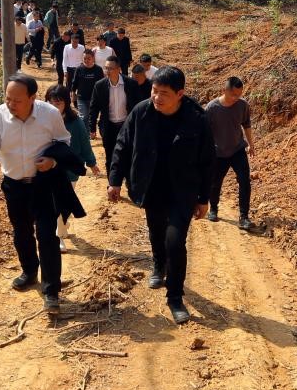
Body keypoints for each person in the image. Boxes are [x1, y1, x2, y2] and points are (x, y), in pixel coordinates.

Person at [108, 66, 215, 325]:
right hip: (150, 185)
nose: (156, 97)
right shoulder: (141, 112)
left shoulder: (196, 118)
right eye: (154, 91)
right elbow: (123, 145)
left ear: (180, 93)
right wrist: (115, 181)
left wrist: (204, 198)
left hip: (182, 190)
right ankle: (158, 266)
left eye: (163, 93)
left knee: (175, 242)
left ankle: (175, 297)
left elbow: (207, 160)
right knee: (156, 230)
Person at [0, 74, 71, 314]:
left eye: (17, 100)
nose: (11, 104)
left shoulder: (49, 114)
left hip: (44, 183)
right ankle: (29, 271)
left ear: (32, 97)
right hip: (14, 185)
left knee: (47, 235)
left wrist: (52, 160)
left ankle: (52, 290)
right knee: (21, 232)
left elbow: (64, 141)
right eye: (8, 99)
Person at [44, 84, 100, 252]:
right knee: (51, 204)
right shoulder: (39, 120)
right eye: (51, 102)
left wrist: (91, 163)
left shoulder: (75, 122)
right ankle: (61, 226)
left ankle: (60, 236)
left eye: (58, 103)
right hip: (45, 169)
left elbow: (84, 143)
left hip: (67, 171)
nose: (54, 106)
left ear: (66, 103)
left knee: (62, 203)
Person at [205, 76, 255, 230]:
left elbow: (246, 124)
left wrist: (251, 144)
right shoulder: (212, 108)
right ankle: (213, 209)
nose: (236, 98)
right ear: (224, 91)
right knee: (215, 181)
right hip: (218, 151)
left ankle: (244, 216)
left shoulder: (242, 105)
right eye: (234, 94)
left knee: (244, 180)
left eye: (239, 94)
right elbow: (205, 132)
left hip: (237, 149)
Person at [87, 57, 129, 168]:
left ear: (119, 69)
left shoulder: (130, 84)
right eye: (106, 68)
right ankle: (112, 183)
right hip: (108, 127)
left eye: (110, 68)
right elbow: (94, 107)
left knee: (126, 156)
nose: (107, 71)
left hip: (126, 127)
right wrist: (92, 128)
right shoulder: (99, 85)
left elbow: (135, 106)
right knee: (110, 157)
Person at [70, 50, 103, 121]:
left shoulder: (98, 69)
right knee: (84, 117)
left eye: (89, 58)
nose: (86, 60)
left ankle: (89, 132)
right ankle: (83, 132)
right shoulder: (79, 69)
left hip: (94, 98)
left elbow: (102, 84)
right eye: (85, 58)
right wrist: (73, 95)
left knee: (92, 117)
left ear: (93, 58)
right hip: (82, 98)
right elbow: (74, 83)